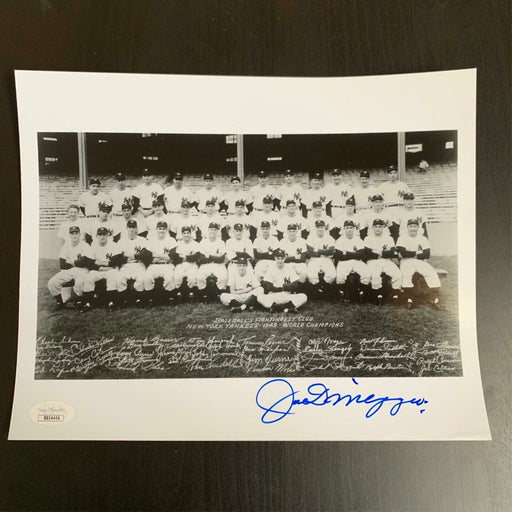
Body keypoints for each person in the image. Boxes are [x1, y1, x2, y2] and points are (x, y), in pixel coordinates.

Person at [396, 218, 441, 309]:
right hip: (406, 261)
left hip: (420, 261)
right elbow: (403, 253)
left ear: (418, 227)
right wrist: (417, 253)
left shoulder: (423, 238)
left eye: (415, 226)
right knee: (406, 275)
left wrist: (410, 254)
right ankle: (409, 299)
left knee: (431, 273)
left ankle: (435, 299)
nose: (413, 228)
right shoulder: (402, 238)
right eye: (411, 226)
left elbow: (427, 254)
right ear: (407, 227)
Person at [80, 226, 122, 312]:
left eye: (104, 234)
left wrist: (100, 263)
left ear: (108, 236)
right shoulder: (93, 246)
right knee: (88, 278)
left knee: (112, 277)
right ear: (96, 236)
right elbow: (90, 263)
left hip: (110, 270)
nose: (102, 236)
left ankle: (111, 303)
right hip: (100, 270)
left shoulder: (113, 245)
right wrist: (104, 267)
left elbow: (116, 261)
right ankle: (88, 303)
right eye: (100, 235)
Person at [47, 225, 90, 309]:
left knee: (80, 282)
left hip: (82, 270)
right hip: (68, 270)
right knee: (52, 283)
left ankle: (80, 300)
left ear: (80, 234)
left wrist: (71, 262)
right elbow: (62, 264)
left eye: (76, 233)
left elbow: (84, 263)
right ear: (69, 235)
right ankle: (60, 302)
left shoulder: (85, 245)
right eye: (72, 233)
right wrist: (76, 263)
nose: (74, 235)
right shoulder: (66, 245)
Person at [363, 218, 402, 305]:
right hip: (373, 261)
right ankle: (379, 295)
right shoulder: (368, 238)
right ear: (372, 228)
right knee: (375, 275)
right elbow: (367, 253)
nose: (377, 228)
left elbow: (392, 252)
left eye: (380, 226)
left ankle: (395, 294)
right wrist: (383, 253)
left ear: (383, 227)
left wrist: (376, 251)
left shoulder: (389, 238)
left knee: (397, 274)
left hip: (386, 260)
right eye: (376, 226)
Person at [257, 249, 308, 313]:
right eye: (278, 258)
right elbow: (268, 286)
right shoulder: (271, 267)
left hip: (286, 296)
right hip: (273, 296)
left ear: (285, 258)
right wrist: (285, 287)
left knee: (303, 296)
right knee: (260, 297)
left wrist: (280, 288)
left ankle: (275, 307)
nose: (280, 261)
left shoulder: (289, 268)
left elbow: (295, 285)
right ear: (275, 258)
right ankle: (287, 308)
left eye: (282, 258)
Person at [334, 220, 371, 302]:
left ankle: (361, 291)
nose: (349, 230)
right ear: (344, 229)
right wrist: (354, 254)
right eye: (347, 228)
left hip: (357, 261)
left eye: (351, 227)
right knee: (340, 276)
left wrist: (346, 253)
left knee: (366, 274)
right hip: (344, 262)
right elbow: (339, 256)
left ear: (354, 229)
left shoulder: (358, 239)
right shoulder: (340, 240)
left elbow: (361, 254)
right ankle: (341, 292)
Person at [115, 220, 149, 307]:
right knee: (119, 279)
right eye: (130, 227)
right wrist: (135, 256)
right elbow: (119, 257)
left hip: (139, 264)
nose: (132, 229)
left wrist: (127, 254)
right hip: (126, 265)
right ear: (126, 228)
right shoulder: (121, 241)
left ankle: (138, 299)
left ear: (137, 229)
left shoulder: (142, 240)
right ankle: (124, 300)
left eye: (134, 227)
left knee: (142, 278)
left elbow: (143, 255)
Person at [143, 221, 178, 306]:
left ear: (166, 230)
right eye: (160, 228)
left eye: (164, 229)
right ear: (156, 229)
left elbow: (171, 257)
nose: (162, 230)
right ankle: (150, 299)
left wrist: (155, 255)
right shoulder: (151, 240)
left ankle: (170, 298)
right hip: (154, 265)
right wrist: (164, 255)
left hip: (167, 265)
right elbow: (147, 257)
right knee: (147, 278)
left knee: (169, 278)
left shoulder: (171, 240)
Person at [196, 222, 228, 300]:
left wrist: (209, 256)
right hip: (206, 265)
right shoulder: (203, 242)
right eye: (211, 229)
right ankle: (204, 294)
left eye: (215, 230)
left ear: (217, 231)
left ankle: (220, 294)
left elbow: (221, 259)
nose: (213, 231)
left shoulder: (221, 242)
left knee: (224, 277)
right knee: (199, 277)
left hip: (218, 265)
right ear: (208, 230)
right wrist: (215, 257)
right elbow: (202, 259)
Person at [306, 219, 336, 296]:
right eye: (318, 227)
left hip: (327, 259)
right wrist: (324, 252)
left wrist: (317, 250)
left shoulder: (329, 238)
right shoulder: (311, 237)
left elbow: (331, 251)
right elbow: (310, 252)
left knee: (332, 274)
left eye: (321, 227)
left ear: (324, 228)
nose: (320, 229)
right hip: (314, 259)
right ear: (315, 228)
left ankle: (324, 289)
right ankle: (317, 290)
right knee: (311, 274)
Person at [173, 226, 201, 301]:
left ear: (190, 234)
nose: (186, 235)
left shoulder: (195, 244)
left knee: (192, 277)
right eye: (184, 233)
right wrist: (189, 257)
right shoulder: (178, 244)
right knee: (177, 276)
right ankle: (179, 292)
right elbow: (176, 258)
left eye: (188, 233)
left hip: (192, 264)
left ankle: (190, 292)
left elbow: (196, 256)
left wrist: (185, 257)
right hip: (181, 264)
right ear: (182, 234)